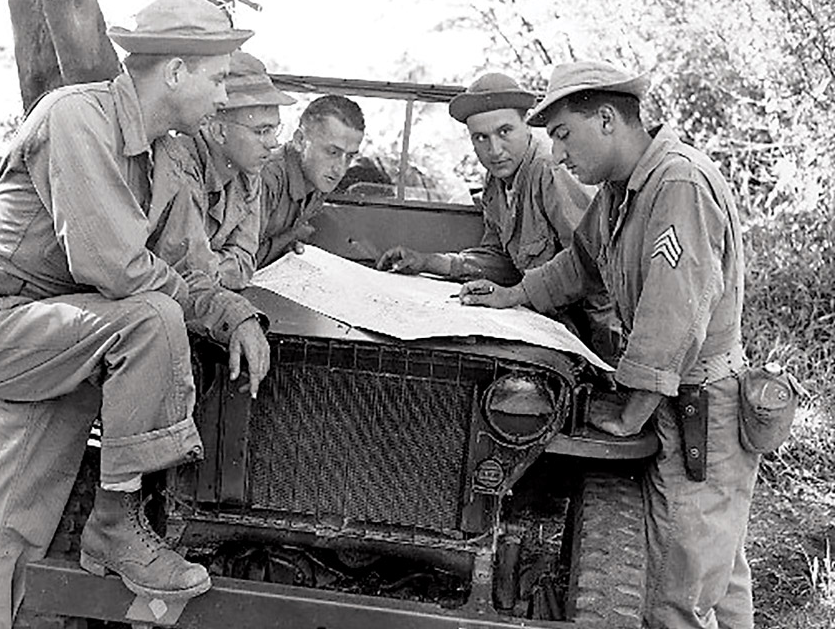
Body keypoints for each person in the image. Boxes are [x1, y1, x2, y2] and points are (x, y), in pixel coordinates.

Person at [0, 0, 270, 628]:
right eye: (220, 78)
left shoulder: (168, 157)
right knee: (151, 318)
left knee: (16, 525)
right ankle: (115, 524)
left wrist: (234, 315)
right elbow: (116, 268)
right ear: (175, 72)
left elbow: (192, 273)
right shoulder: (74, 116)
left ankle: (73, 554)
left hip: (75, 330)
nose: (225, 96)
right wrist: (196, 306)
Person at [458, 61, 758, 629]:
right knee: (715, 572)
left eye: (565, 137)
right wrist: (517, 295)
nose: (562, 157)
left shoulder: (676, 185)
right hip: (684, 400)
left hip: (700, 410)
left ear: (606, 119)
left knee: (677, 590)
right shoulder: (625, 192)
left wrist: (630, 411)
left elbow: (675, 314)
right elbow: (582, 261)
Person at [375, 73, 618, 362]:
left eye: (505, 132)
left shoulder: (550, 171)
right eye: (481, 138)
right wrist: (429, 262)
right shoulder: (497, 180)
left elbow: (590, 269)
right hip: (544, 314)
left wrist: (603, 360)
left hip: (593, 331)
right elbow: (499, 258)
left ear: (527, 124)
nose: (494, 150)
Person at [150, 51, 295, 290]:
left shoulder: (249, 173)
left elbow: (246, 262)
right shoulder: (180, 167)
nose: (273, 143)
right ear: (218, 131)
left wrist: (212, 266)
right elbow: (189, 271)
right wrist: (219, 267)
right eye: (261, 131)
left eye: (274, 130)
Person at [255, 94, 365, 268]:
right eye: (332, 152)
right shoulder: (266, 179)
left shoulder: (318, 179)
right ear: (300, 141)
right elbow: (239, 263)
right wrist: (290, 238)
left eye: (349, 157)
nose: (340, 169)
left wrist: (287, 246)